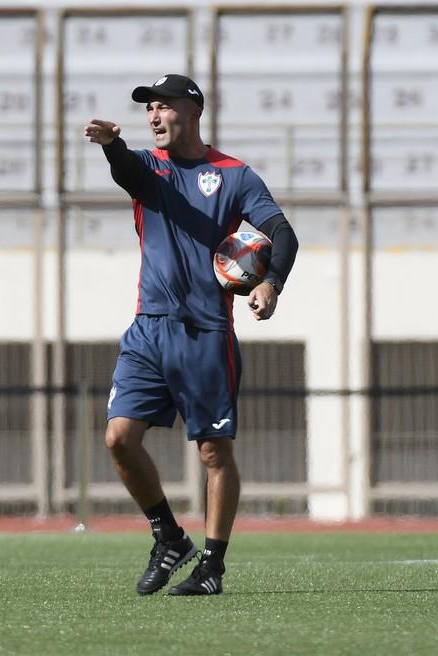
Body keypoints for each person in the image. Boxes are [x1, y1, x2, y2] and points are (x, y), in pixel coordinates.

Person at [84, 74, 298, 596]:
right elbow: (127, 169)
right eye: (148, 109)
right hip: (148, 329)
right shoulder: (148, 169)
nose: (154, 116)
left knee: (213, 453)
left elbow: (282, 232)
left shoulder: (234, 175)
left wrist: (270, 283)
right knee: (118, 438)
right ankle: (168, 535)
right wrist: (113, 145)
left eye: (163, 106)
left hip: (206, 334)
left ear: (193, 110)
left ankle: (212, 567)